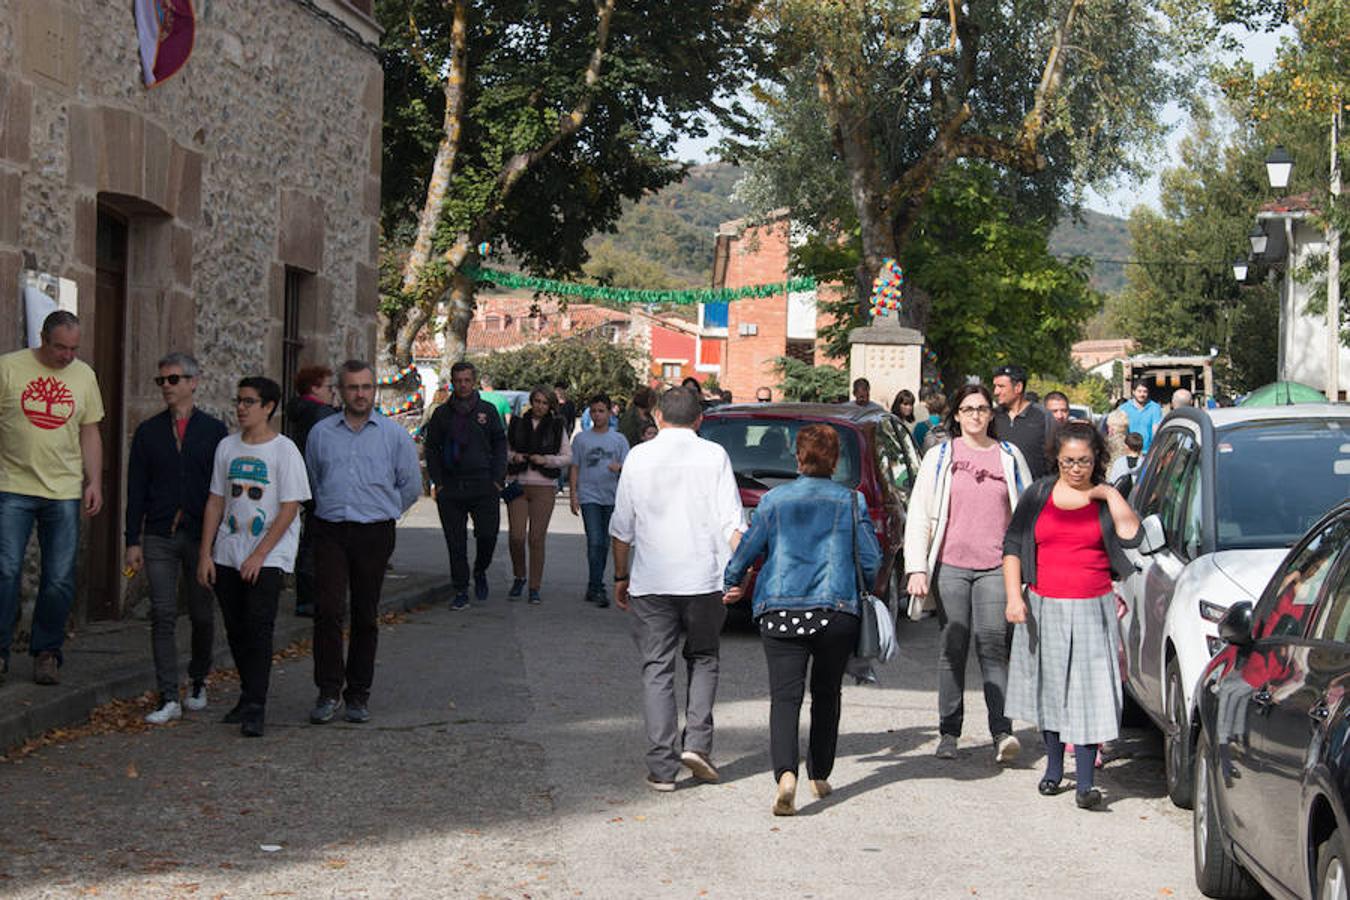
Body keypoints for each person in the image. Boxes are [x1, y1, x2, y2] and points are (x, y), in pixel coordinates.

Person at [723, 425, 879, 816]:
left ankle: (786, 775)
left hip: (780, 610)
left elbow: (748, 550)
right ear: (835, 461)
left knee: (785, 698)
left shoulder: (773, 501)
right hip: (835, 611)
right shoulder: (852, 501)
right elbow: (871, 559)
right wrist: (862, 586)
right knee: (827, 694)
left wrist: (732, 580)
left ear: (798, 458)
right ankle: (820, 773)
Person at [610, 388, 744, 792]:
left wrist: (620, 576)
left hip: (652, 581)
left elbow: (622, 527)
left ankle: (662, 767)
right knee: (704, 657)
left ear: (658, 417)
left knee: (657, 668)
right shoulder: (715, 456)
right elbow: (732, 523)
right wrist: (738, 574)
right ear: (699, 419)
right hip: (705, 579)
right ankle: (697, 745)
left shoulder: (638, 457)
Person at [1003, 421, 1141, 809]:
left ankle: (1085, 783)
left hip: (1094, 606)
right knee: (1050, 690)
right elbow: (1012, 545)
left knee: (1088, 694)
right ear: (1056, 459)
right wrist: (1014, 597)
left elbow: (1132, 534)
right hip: (1043, 605)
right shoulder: (1038, 494)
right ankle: (1052, 769)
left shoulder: (1105, 497)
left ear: (1097, 459)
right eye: (1068, 461)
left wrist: (1108, 493)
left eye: (1084, 461)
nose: (1076, 468)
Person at [903, 384, 1033, 763]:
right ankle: (949, 732)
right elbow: (919, 514)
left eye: (982, 408)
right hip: (951, 566)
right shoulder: (940, 456)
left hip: (997, 566)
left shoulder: (1009, 456)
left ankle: (1002, 732)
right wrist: (916, 567)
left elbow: (1027, 515)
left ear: (991, 414)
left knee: (993, 646)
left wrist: (1028, 565)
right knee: (952, 647)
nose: (975, 415)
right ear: (957, 416)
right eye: (968, 409)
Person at [304, 360, 421, 725]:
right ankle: (328, 691)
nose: (360, 394)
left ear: (374, 391)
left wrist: (385, 511)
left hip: (374, 532)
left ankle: (357, 694)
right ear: (341, 391)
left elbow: (411, 485)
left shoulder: (394, 435)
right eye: (353, 387)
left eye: (366, 387)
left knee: (365, 613)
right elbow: (313, 479)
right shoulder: (321, 434)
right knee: (327, 610)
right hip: (330, 530)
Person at [197, 377, 309, 737]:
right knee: (236, 628)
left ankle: (256, 705)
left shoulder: (284, 451)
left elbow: (290, 508)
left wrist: (260, 554)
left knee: (259, 627)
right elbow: (216, 501)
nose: (241, 408)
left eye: (249, 401)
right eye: (239, 401)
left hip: (269, 554)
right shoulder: (227, 447)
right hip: (229, 550)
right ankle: (247, 694)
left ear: (268, 407)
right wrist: (206, 553)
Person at [0, 310, 104, 686]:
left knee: (59, 577)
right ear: (42, 339)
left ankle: (47, 652)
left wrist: (94, 482)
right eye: (60, 347)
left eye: (73, 349)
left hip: (63, 489)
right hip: (12, 484)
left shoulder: (84, 375)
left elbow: (90, 431)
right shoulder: (9, 368)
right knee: (6, 570)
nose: (67, 356)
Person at [125, 352, 228, 724]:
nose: (166, 386)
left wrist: (218, 539)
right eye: (162, 380)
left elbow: (222, 487)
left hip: (200, 535)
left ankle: (198, 680)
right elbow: (136, 487)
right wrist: (132, 540)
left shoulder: (213, 431)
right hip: (159, 534)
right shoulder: (148, 432)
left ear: (193, 382)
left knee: (201, 613)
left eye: (173, 379)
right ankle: (168, 695)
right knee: (163, 613)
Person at [424, 361, 508, 611]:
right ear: (452, 382)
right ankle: (460, 589)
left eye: (467, 380)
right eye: (458, 381)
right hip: (451, 486)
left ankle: (480, 569)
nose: (462, 385)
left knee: (487, 535)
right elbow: (432, 448)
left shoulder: (487, 411)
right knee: (455, 542)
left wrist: (497, 479)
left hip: (484, 484)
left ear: (474, 381)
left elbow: (500, 444)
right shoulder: (442, 414)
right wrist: (437, 482)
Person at [505, 386, 572, 604]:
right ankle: (519, 576)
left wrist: (547, 460)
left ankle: (534, 586)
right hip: (518, 483)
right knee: (516, 536)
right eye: (537, 401)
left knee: (536, 538)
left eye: (544, 403)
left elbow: (567, 456)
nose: (540, 406)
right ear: (531, 402)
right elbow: (504, 451)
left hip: (544, 485)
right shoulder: (517, 424)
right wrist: (514, 457)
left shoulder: (556, 426)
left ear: (550, 405)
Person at [284, 365, 338, 618]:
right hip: (321, 483)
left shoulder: (300, 411)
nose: (332, 392)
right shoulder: (322, 414)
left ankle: (305, 596)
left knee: (309, 539)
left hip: (303, 480)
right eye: (328, 387)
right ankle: (311, 597)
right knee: (319, 542)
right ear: (314, 388)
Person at [569, 393, 629, 608]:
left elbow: (630, 468)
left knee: (604, 542)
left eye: (601, 411)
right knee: (595, 541)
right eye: (593, 411)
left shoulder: (619, 440)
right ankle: (597, 586)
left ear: (609, 413)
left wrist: (620, 468)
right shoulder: (581, 439)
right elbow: (575, 467)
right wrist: (573, 494)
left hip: (612, 496)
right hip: (589, 496)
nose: (597, 415)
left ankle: (594, 584)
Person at [992, 364, 1051, 479]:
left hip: (1034, 488)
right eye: (995, 386)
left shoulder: (1043, 417)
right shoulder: (992, 417)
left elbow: (1054, 456)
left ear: (1018, 387)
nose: (996, 392)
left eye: (1001, 386)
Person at [1123, 380, 1163, 452]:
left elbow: (1156, 429)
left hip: (1148, 451)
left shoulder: (1155, 408)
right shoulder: (1124, 408)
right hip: (1129, 451)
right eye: (1139, 391)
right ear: (1133, 392)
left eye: (1145, 391)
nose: (1142, 394)